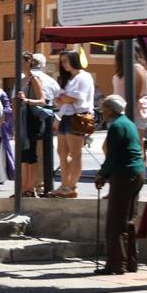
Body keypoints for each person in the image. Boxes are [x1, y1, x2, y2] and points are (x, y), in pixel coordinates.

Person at [93, 95, 145, 275]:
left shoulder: (116, 127)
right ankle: (130, 262)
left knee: (115, 222)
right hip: (137, 173)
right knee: (128, 219)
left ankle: (116, 264)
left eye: (104, 108)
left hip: (124, 175)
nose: (102, 111)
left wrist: (101, 174)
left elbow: (112, 156)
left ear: (110, 110)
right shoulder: (128, 123)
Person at [51, 50, 95, 198]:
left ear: (74, 61)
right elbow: (61, 100)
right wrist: (62, 103)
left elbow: (75, 98)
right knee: (61, 153)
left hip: (78, 116)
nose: (63, 64)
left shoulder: (84, 76)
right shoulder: (70, 79)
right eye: (62, 61)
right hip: (66, 117)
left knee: (75, 154)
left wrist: (63, 98)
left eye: (66, 61)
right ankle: (64, 185)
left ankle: (71, 186)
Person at [18, 52, 59, 196]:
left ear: (29, 62)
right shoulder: (22, 80)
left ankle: (30, 188)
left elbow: (43, 100)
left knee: (31, 155)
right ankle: (24, 188)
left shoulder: (34, 79)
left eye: (21, 61)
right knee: (23, 156)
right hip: (22, 120)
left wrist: (27, 101)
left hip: (32, 120)